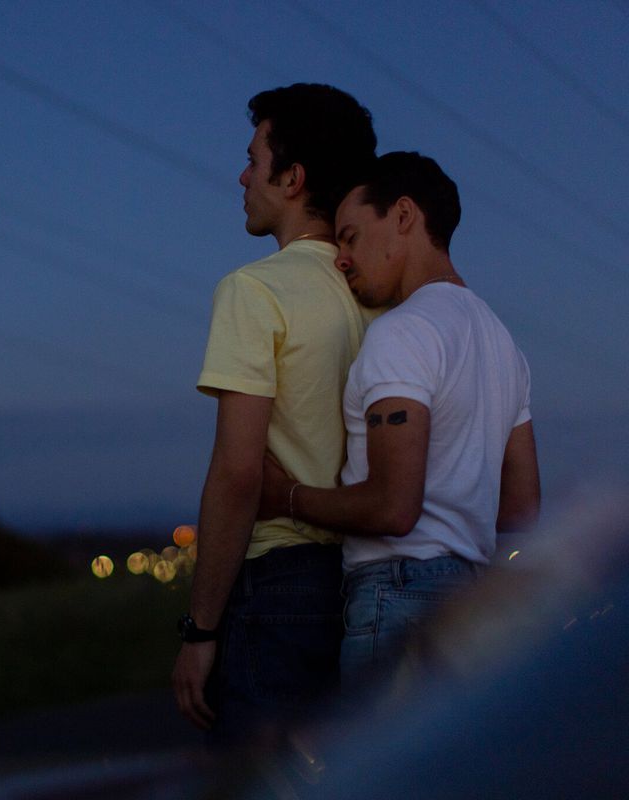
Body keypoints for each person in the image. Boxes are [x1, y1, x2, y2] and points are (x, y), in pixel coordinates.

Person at [259, 151, 541, 698]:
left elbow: (393, 507)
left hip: (397, 597)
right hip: (470, 605)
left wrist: (285, 497)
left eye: (350, 236)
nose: (341, 258)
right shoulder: (504, 345)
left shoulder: (402, 332)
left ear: (404, 216)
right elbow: (522, 509)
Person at [172, 83, 378, 745]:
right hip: (364, 581)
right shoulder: (380, 297)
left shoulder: (254, 290)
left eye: (254, 159)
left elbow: (237, 474)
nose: (241, 175)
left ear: (292, 178)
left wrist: (201, 629)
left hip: (277, 587)